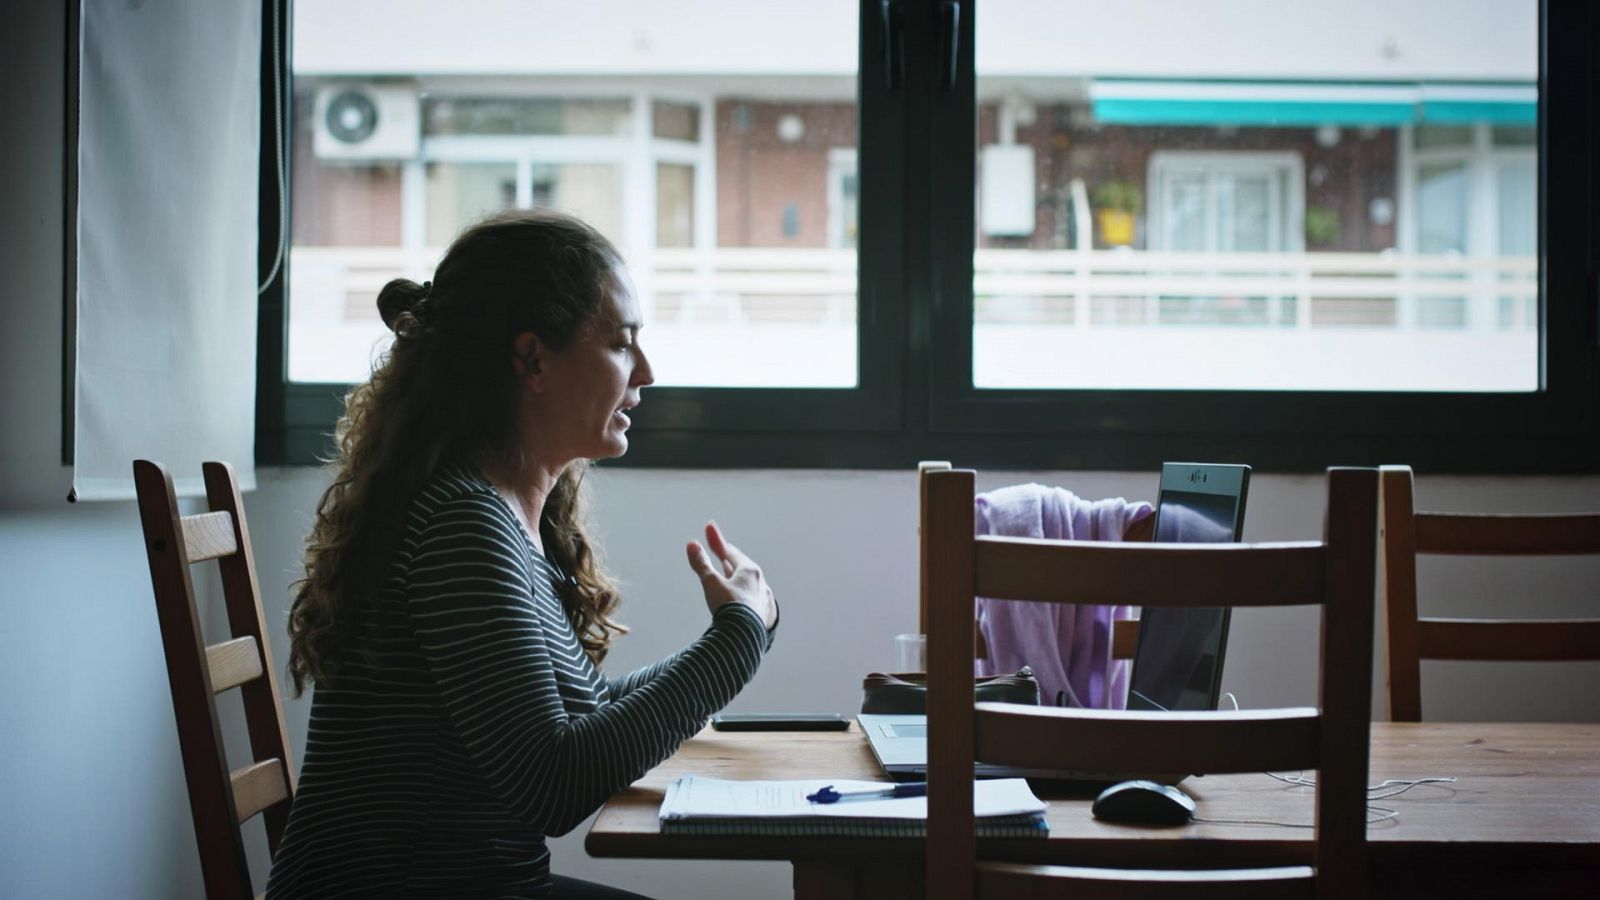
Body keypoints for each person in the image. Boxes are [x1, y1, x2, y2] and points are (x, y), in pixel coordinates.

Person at [266, 209, 779, 899]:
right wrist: (736, 639)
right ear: (533, 359)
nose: (647, 372)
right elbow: (555, 785)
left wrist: (741, 630)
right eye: (622, 343)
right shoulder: (461, 523)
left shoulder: (498, 510)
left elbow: (581, 717)